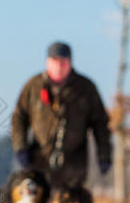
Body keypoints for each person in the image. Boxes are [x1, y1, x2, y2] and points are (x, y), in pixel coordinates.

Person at [11, 41, 112, 187]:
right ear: (47, 62)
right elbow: (19, 118)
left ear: (70, 63)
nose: (59, 66)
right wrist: (20, 147)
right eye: (55, 61)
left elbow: (100, 124)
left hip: (74, 164)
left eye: (63, 62)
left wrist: (104, 155)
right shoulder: (34, 86)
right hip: (39, 159)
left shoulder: (86, 88)